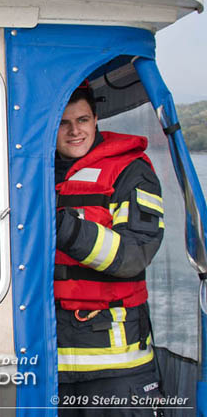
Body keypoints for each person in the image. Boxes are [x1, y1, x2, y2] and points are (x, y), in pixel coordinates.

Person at [54, 81, 165, 415]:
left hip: (118, 366)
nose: (75, 131)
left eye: (83, 120)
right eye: (63, 123)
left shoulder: (133, 172)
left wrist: (62, 225)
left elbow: (135, 254)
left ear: (96, 118)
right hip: (48, 360)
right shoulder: (29, 172)